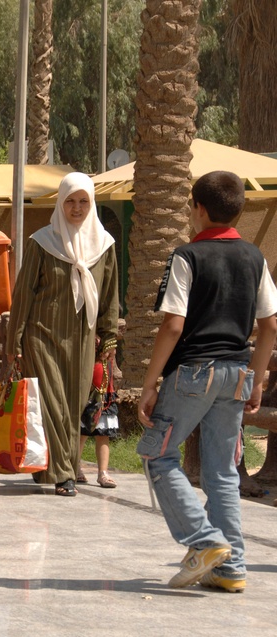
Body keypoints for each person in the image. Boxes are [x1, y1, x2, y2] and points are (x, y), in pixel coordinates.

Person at [137, 170, 277, 592]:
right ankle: (231, 570)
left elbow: (173, 326)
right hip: (236, 373)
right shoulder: (255, 258)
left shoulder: (187, 256)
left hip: (194, 372)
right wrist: (257, 379)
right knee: (223, 472)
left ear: (197, 208)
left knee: (156, 454)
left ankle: (206, 540)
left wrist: (149, 382)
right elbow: (269, 325)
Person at [7, 172, 119, 497]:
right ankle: (63, 473)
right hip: (42, 336)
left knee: (73, 404)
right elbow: (24, 294)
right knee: (52, 402)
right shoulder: (42, 242)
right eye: (70, 200)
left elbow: (110, 295)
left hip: (83, 340)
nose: (77, 207)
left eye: (83, 201)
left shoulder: (104, 246)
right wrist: (15, 341)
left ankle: (56, 469)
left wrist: (109, 335)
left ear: (92, 203)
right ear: (60, 202)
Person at [77, 351, 118, 489]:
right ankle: (75, 467)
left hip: (104, 393)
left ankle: (103, 472)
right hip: (87, 394)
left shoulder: (108, 344)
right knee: (82, 434)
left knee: (103, 434)